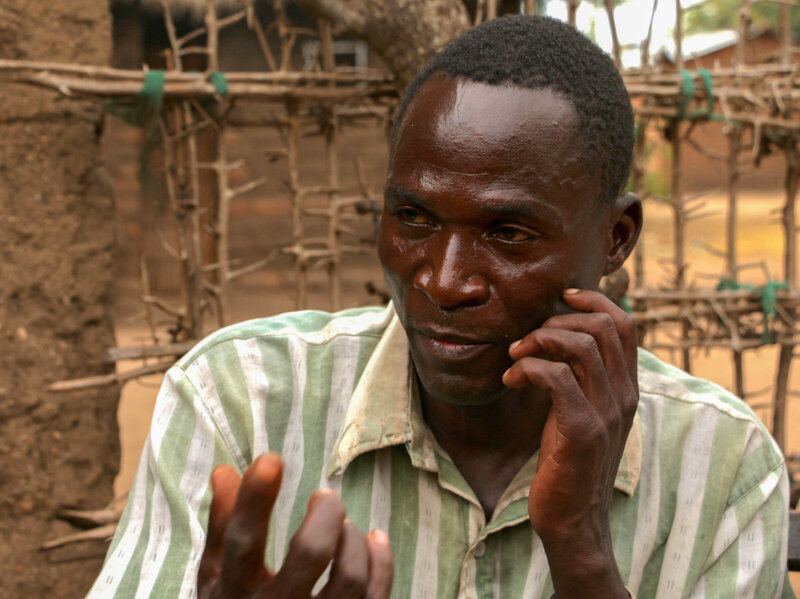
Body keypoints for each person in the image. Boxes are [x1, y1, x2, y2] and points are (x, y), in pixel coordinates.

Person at [87, 15, 795, 599]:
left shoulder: (722, 466)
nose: (445, 280)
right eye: (415, 217)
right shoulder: (240, 402)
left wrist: (581, 549)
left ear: (615, 238)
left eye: (508, 233)